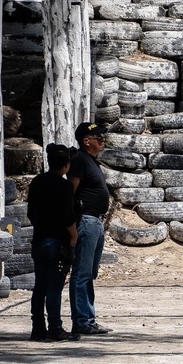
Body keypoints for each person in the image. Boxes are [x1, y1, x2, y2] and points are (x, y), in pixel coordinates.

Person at [28, 144, 79, 342]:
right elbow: (68, 217)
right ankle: (55, 328)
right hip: (56, 242)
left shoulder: (37, 182)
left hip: (39, 240)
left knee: (39, 287)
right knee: (54, 287)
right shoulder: (64, 186)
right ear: (66, 166)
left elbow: (30, 213)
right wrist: (73, 236)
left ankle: (37, 328)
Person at [68, 122, 112, 336]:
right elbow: (70, 193)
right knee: (82, 273)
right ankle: (81, 321)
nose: (102, 140)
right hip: (85, 221)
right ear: (87, 141)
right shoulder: (79, 160)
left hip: (95, 221)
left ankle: (89, 319)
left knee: (90, 272)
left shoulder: (91, 161)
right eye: (98, 137)